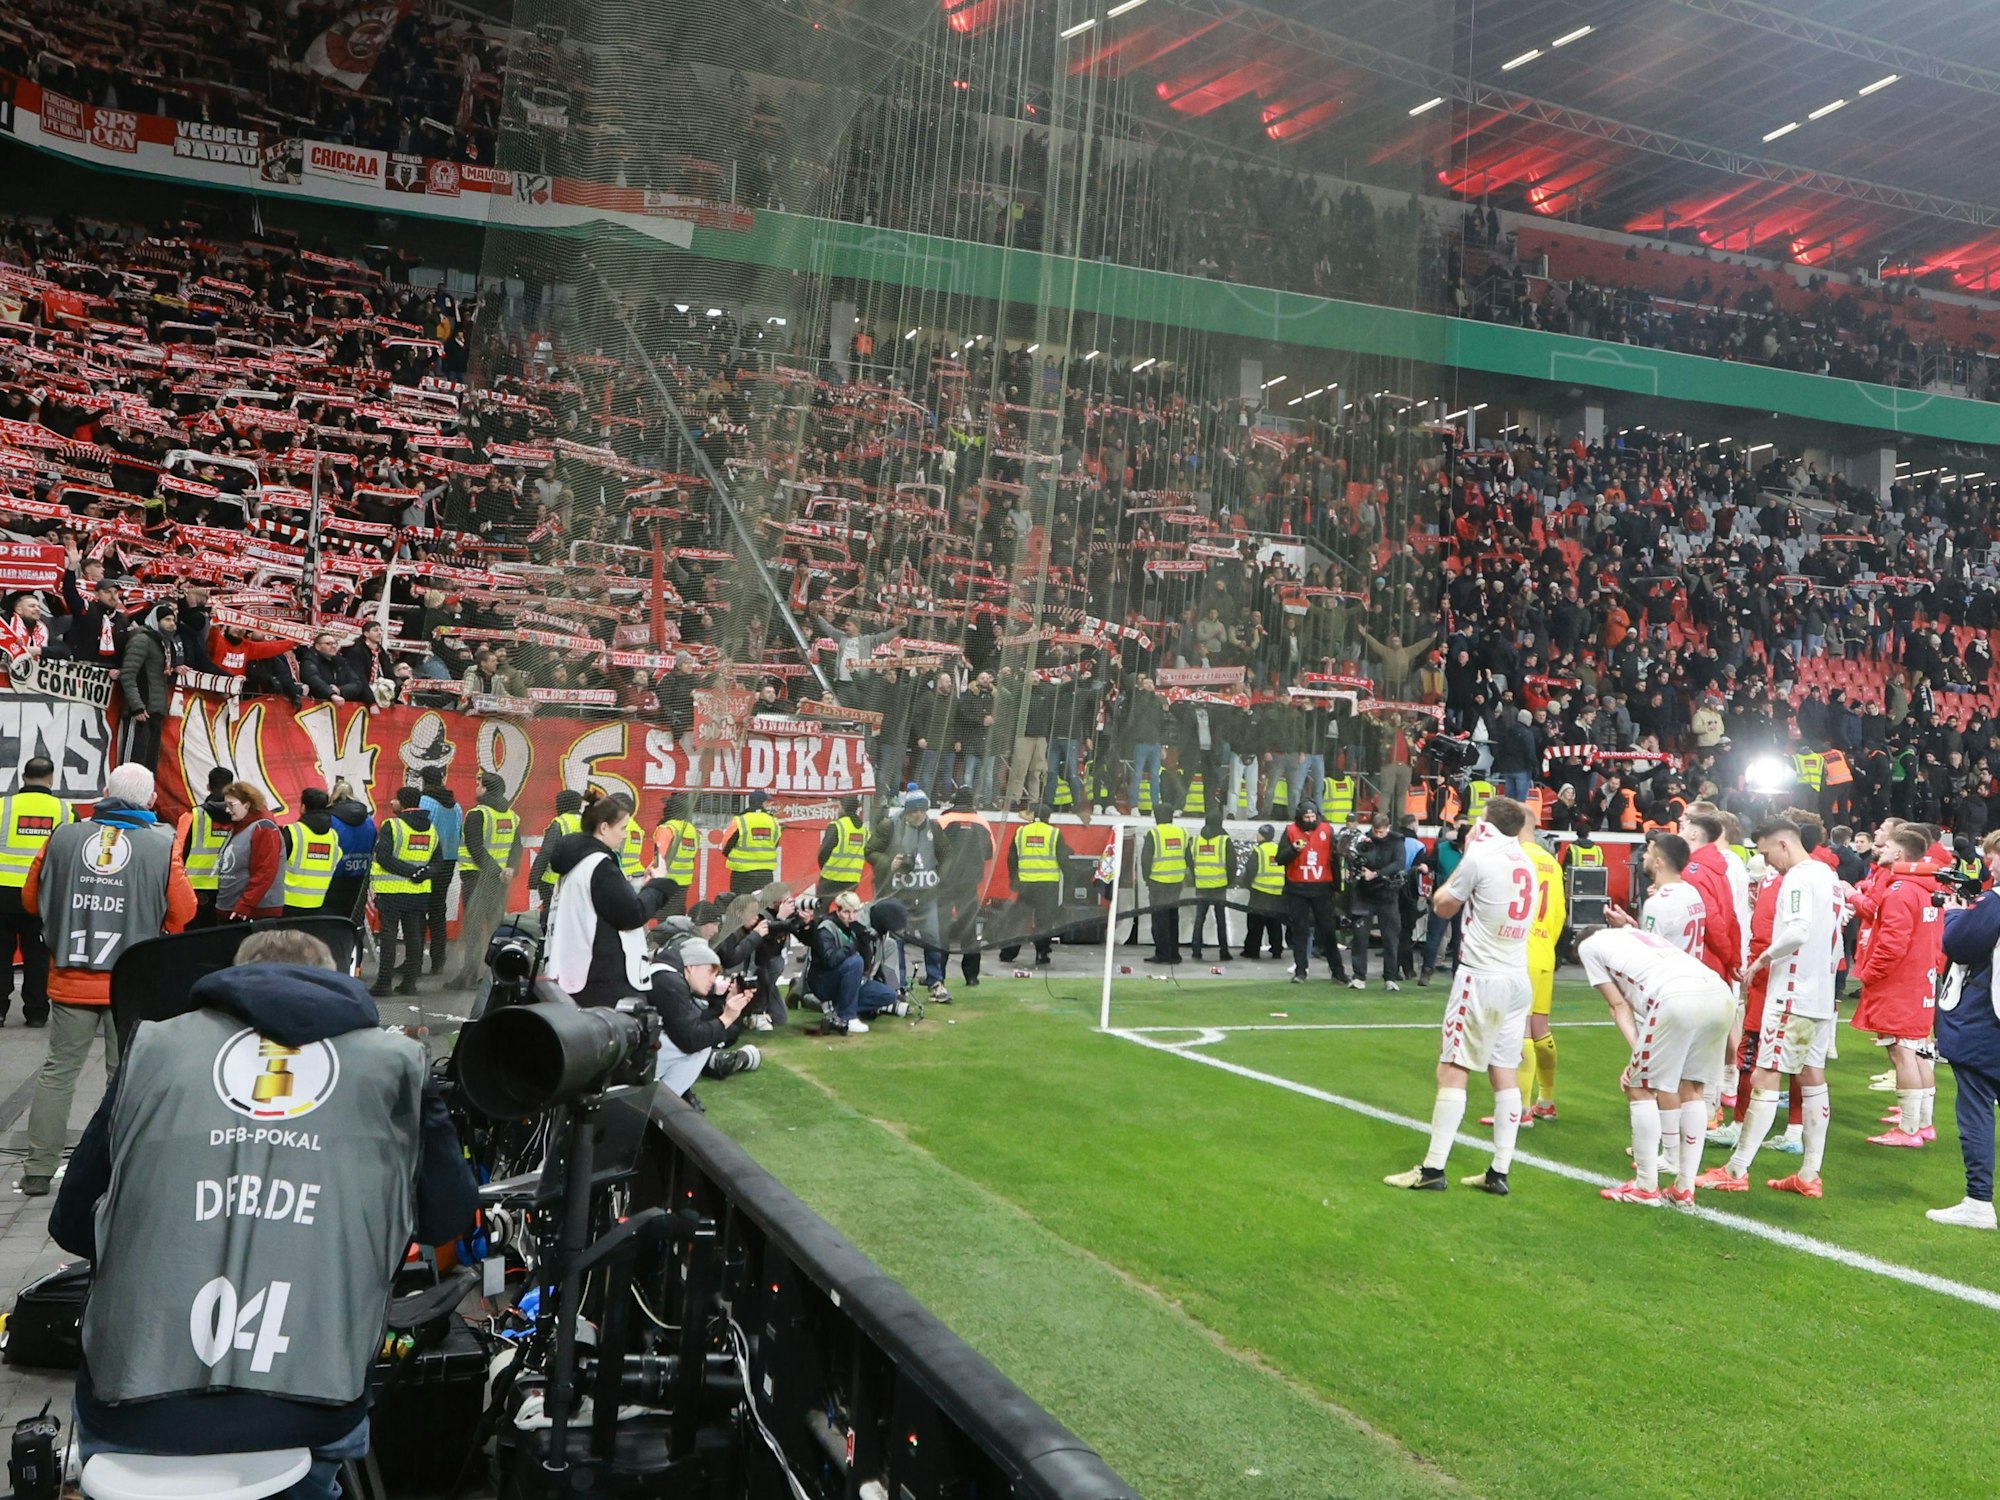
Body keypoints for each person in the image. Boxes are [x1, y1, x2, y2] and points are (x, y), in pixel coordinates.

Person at [48, 929, 478, 1493]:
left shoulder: (151, 1047)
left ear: (235, 981)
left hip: (133, 1400)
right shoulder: (398, 1064)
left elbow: (72, 1224)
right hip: (311, 1400)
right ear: (337, 979)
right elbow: (446, 1220)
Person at [20, 763, 197, 1195]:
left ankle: (39, 1170)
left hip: (71, 975)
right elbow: (185, 910)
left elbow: (31, 899)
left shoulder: (64, 836)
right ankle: (122, 1163)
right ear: (151, 800)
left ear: (103, 793)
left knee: (59, 1072)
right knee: (126, 1074)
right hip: (132, 982)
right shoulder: (162, 844)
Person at [1385, 797, 1537, 1195]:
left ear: (1487, 825)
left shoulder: (1481, 857)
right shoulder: (1526, 862)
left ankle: (1433, 1168)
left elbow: (1442, 906)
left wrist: (1465, 861)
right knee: (1505, 1073)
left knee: (1453, 1068)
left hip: (1481, 977)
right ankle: (1499, 1171)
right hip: (1517, 977)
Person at [1698, 818, 1846, 1197]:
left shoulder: (1797, 877)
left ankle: (1737, 1168)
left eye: (1766, 853)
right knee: (1812, 1076)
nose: (1768, 863)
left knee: (1766, 1074)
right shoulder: (1828, 876)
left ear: (1783, 843)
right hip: (1818, 995)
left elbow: (1797, 930)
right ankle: (1810, 1174)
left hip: (1793, 993)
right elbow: (1837, 941)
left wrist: (1761, 960)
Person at [1581, 926, 1735, 1207]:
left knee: (1638, 1087)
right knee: (1693, 1088)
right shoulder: (1632, 933)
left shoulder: (1588, 947)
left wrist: (1637, 1053)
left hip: (1676, 996)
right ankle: (1684, 1188)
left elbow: (1619, 1006)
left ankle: (1645, 1186)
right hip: (1719, 992)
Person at [1850, 825, 1942, 1149]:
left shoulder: (1900, 890)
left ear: (1900, 853)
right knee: (1917, 1052)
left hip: (1900, 982)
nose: (1882, 850)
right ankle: (1923, 1122)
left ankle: (1907, 1129)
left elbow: (1892, 944)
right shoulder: (1928, 888)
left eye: (1887, 847)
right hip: (1920, 978)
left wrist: (1868, 973)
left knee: (1902, 1052)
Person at [543, 793, 677, 1009]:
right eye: (622, 828)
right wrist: (658, 885)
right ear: (604, 828)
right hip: (600, 977)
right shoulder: (599, 865)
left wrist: (643, 886)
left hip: (581, 972)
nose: (625, 835)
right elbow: (632, 915)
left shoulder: (581, 862)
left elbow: (610, 904)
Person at [1933, 878, 2000, 1227]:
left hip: (1988, 1020)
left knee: (1976, 1109)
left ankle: (1978, 1201)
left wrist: (1955, 914)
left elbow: (1958, 945)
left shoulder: (1995, 901)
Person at [0, 756, 72, 1026]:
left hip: (2, 894)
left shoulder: (3, 806)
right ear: (51, 777)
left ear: (23, 776)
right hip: (41, 896)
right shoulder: (65, 811)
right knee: (38, 957)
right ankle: (37, 1013)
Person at [865, 788, 953, 1004]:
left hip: (925, 893)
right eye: (914, 811)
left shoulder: (934, 827)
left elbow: (947, 854)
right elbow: (870, 851)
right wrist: (888, 863)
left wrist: (940, 878)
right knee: (897, 941)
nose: (919, 815)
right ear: (906, 811)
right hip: (897, 893)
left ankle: (936, 982)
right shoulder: (889, 825)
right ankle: (899, 985)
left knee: (932, 938)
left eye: (923, 810)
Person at [640, 938, 757, 1095]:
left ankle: (666, 1101)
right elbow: (691, 1039)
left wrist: (728, 1008)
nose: (713, 980)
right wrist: (727, 1018)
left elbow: (695, 1024)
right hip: (633, 1059)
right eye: (711, 972)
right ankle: (659, 1105)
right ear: (692, 967)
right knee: (700, 1047)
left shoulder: (669, 977)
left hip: (631, 1048)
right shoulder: (669, 981)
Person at [805, 892, 909, 1036]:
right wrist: (854, 946)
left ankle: (835, 1010)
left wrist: (866, 947)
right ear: (838, 910)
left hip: (850, 980)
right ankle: (848, 1016)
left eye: (855, 912)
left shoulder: (857, 928)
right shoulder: (826, 927)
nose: (851, 917)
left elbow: (866, 967)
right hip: (824, 980)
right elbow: (829, 960)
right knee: (855, 961)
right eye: (847, 912)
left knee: (888, 995)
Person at [370, 787, 438, 997]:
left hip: (391, 891)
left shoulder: (392, 825)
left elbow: (383, 857)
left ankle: (383, 983)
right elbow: (438, 862)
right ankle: (409, 983)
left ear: (404, 803)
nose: (391, 802)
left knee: (389, 936)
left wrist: (410, 872)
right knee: (414, 937)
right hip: (418, 893)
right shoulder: (431, 829)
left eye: (395, 799)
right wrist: (421, 873)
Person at [453, 773, 520, 989]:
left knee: (473, 927)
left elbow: (474, 847)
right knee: (495, 927)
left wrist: (495, 871)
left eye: (479, 784)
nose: (476, 788)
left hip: (476, 877)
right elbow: (516, 848)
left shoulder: (477, 814)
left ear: (486, 789)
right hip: (500, 880)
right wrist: (509, 870)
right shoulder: (512, 816)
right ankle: (493, 976)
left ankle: (469, 975)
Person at [1520, 819, 1566, 1122]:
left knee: (1518, 1031)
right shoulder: (1551, 862)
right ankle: (1546, 1100)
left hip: (1519, 950)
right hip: (1544, 950)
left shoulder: (1515, 858)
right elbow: (1560, 913)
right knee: (1540, 1028)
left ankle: (1520, 1109)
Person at [1279, 801, 1347, 984]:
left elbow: (1335, 859)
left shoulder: (1327, 830)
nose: (1310, 820)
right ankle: (1301, 971)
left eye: (1313, 817)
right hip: (1297, 888)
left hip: (1322, 888)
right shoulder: (1290, 831)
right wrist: (1294, 849)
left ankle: (1338, 971)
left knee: (1328, 931)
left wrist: (1337, 887)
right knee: (1300, 931)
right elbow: (1279, 859)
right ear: (1300, 817)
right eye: (1306, 817)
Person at [936, 787, 995, 984]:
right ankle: (971, 977)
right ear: (972, 802)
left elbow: (932, 849)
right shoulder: (982, 822)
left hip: (944, 883)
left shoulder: (944, 821)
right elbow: (989, 852)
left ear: (954, 800)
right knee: (970, 931)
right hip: (970, 883)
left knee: (940, 929)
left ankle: (938, 977)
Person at [116, 600, 180, 770]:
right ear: (155, 620)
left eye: (173, 620)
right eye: (167, 619)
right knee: (132, 765)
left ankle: (144, 796)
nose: (172, 624)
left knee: (149, 764)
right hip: (141, 710)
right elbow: (128, 674)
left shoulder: (163, 643)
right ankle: (124, 795)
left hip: (155, 710)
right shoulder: (142, 639)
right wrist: (136, 706)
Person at [1348, 810, 1406, 991]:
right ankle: (1359, 976)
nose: (1378, 835)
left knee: (1390, 938)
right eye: (1376, 831)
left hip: (1388, 895)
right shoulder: (1364, 840)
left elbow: (1399, 863)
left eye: (1381, 831)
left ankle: (1390, 976)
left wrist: (1377, 874)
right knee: (1360, 937)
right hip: (1365, 895)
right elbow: (1356, 860)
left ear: (1388, 828)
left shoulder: (1396, 841)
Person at [999, 805, 1065, 965]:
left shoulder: (1021, 831)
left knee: (1019, 920)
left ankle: (1008, 953)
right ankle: (1042, 954)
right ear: (1048, 818)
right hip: (1048, 885)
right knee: (1044, 922)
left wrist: (1014, 879)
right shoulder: (1054, 833)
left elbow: (1011, 859)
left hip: (1026, 884)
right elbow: (1063, 858)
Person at [213, 781, 287, 922]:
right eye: (226, 805)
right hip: (234, 908)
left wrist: (245, 905)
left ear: (247, 804)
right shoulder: (239, 828)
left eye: (231, 805)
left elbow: (265, 871)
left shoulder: (263, 829)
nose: (227, 810)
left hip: (253, 913)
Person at [418, 771, 462, 976]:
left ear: (424, 781)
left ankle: (414, 961)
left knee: (417, 912)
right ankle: (438, 961)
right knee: (438, 911)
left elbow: (420, 829)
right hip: (449, 861)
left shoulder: (425, 801)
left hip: (430, 861)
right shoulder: (456, 805)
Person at [179, 766, 234, 929]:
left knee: (195, 937)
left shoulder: (193, 816)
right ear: (231, 787)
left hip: (197, 887)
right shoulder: (241, 817)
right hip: (230, 885)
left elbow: (178, 853)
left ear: (208, 786)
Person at [281, 788, 342, 916]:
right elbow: (337, 858)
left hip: (288, 903)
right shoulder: (333, 836)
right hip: (318, 903)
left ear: (303, 807)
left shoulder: (293, 831)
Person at [1141, 803, 1188, 965]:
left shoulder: (1154, 833)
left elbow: (1146, 860)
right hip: (1176, 882)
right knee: (1173, 918)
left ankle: (1162, 954)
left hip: (1158, 882)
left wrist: (1147, 879)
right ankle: (1174, 954)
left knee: (1159, 921)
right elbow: (1187, 856)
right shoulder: (1182, 832)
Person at [324, 779, 376, 923]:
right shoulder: (369, 820)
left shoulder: (330, 819)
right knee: (355, 920)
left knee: (333, 921)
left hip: (335, 877)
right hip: (361, 875)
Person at [530, 788, 586, 918]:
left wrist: (533, 879)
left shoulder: (560, 823)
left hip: (553, 881)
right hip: (579, 880)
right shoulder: (588, 822)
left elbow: (546, 852)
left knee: (551, 916)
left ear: (562, 804)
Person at [1189, 810, 1234, 963]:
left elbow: (1189, 860)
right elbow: (1232, 864)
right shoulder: (1224, 840)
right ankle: (1224, 952)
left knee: (1199, 919)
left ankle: (1196, 951)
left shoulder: (1196, 840)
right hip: (1219, 886)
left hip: (1201, 885)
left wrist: (1197, 877)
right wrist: (1229, 881)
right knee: (1221, 920)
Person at [1241, 823, 1288, 961]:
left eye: (1259, 833)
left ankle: (1252, 950)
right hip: (1277, 892)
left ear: (1262, 836)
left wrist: (1248, 886)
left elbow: (1250, 871)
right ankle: (1277, 950)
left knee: (1255, 923)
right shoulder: (1279, 848)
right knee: (1274, 923)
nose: (1257, 836)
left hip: (1260, 892)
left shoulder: (1259, 850)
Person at [722, 790, 781, 895]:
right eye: (767, 802)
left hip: (743, 874)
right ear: (762, 803)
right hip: (765, 873)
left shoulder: (740, 820)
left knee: (741, 906)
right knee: (762, 907)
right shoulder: (774, 821)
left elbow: (726, 846)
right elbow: (775, 844)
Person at [651, 793, 699, 915]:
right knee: (677, 914)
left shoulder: (667, 828)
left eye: (667, 806)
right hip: (684, 881)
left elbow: (659, 858)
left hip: (667, 881)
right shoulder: (692, 829)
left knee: (665, 917)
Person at [817, 794, 869, 900]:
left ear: (842, 807)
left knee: (821, 910)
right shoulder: (863, 830)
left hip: (831, 877)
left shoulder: (837, 826)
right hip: (852, 879)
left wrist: (825, 868)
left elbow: (823, 852)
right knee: (846, 911)